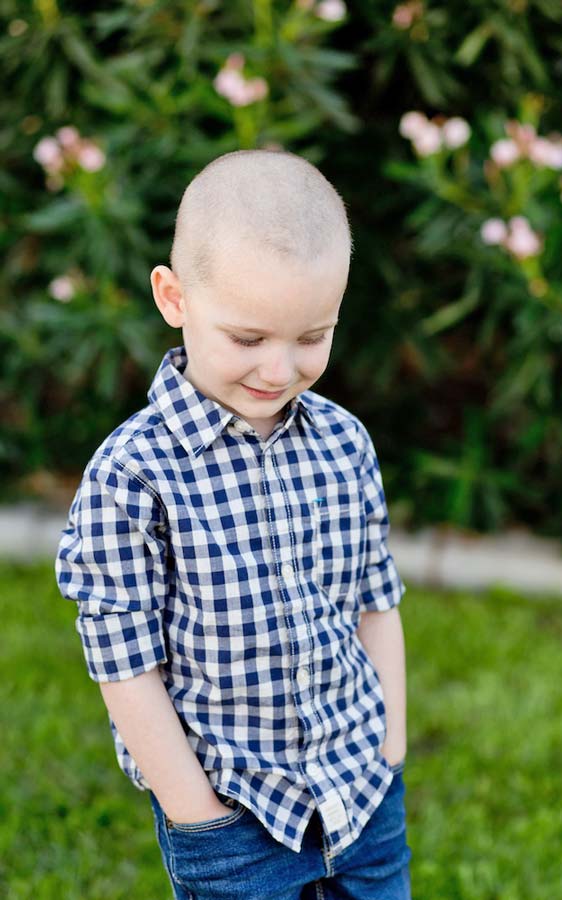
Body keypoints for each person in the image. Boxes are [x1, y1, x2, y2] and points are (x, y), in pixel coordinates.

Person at [55, 148, 411, 900]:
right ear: (174, 297)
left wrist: (390, 748)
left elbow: (377, 601)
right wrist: (196, 815)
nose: (279, 370)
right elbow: (126, 667)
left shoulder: (345, 443)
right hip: (235, 822)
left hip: (363, 798)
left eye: (312, 337)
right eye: (248, 339)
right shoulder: (134, 477)